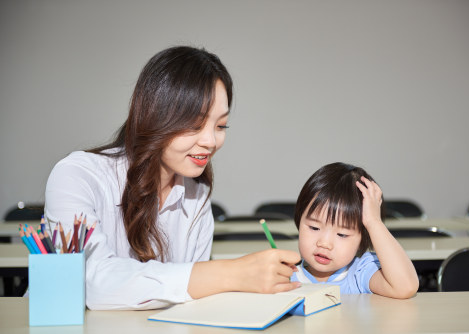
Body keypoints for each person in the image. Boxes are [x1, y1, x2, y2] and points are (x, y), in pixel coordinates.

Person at [44, 46, 300, 310]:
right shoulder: (77, 175)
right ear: (155, 116)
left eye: (221, 126)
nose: (211, 141)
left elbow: (189, 304)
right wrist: (231, 274)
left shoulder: (197, 196)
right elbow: (91, 283)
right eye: (194, 125)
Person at [290, 162, 419, 299]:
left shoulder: (360, 273)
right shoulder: (283, 277)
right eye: (314, 228)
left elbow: (406, 287)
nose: (324, 243)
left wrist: (374, 222)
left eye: (342, 234)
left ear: (363, 238)